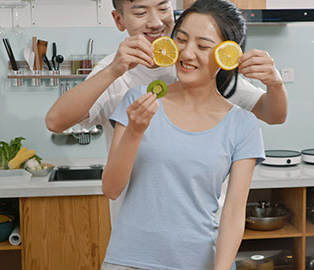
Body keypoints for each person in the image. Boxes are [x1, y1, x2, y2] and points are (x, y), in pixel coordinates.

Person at [45, 0, 286, 225]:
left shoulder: (196, 62)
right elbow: (56, 121)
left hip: (204, 232)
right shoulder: (117, 72)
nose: (156, 22)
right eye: (141, 12)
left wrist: (275, 83)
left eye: (163, 8)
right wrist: (114, 70)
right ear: (119, 20)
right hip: (136, 234)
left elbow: (274, 114)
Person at [100, 0, 264, 269]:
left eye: (202, 46)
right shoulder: (140, 99)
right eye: (181, 40)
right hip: (129, 260)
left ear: (228, 54)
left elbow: (234, 214)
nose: (187, 54)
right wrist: (135, 131)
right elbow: (111, 188)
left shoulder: (242, 124)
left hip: (201, 261)